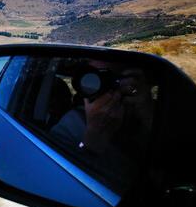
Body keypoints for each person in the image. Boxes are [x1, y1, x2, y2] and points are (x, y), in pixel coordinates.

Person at [49, 60, 155, 192]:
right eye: (94, 78)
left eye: (116, 79)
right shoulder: (72, 122)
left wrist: (147, 112)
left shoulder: (148, 112)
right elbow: (59, 182)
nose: (106, 85)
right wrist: (92, 138)